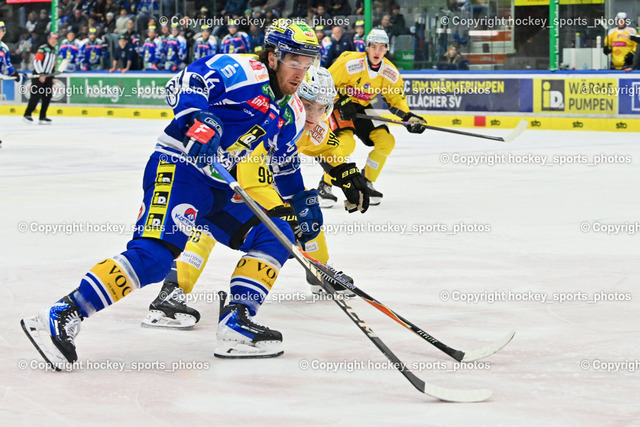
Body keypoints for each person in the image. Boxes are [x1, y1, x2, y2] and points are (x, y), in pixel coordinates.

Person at [21, 19, 324, 367]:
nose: (300, 71)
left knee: (277, 234)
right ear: (273, 57)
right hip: (177, 167)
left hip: (219, 184)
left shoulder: (291, 111)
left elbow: (285, 164)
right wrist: (198, 119)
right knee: (154, 258)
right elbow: (185, 81)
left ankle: (236, 322)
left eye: (307, 62)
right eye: (294, 60)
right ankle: (64, 312)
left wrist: (300, 201)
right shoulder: (244, 70)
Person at [141, 66, 370, 328]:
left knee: (307, 210)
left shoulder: (311, 126)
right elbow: (251, 176)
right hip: (225, 176)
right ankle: (172, 289)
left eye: (321, 108)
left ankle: (319, 269)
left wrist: (346, 171)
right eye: (308, 105)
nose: (313, 115)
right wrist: (279, 210)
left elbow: (327, 148)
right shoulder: (278, 118)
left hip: (265, 179)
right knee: (204, 229)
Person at [321, 29, 427, 206]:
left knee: (386, 141)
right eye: (374, 46)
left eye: (382, 47)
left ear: (387, 49)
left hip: (361, 108)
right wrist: (341, 100)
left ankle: (366, 181)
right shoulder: (349, 62)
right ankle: (325, 185)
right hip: (339, 105)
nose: (377, 51)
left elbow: (396, 100)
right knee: (345, 144)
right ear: (367, 47)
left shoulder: (390, 73)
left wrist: (409, 118)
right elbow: (325, 83)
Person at [23, 33, 59, 125]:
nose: (53, 41)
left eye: (55, 39)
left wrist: (52, 77)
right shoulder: (43, 48)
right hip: (38, 75)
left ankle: (42, 116)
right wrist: (41, 74)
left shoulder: (54, 51)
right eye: (52, 39)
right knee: (35, 95)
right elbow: (37, 61)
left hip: (48, 76)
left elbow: (52, 65)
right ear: (48, 39)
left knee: (47, 96)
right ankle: (27, 114)